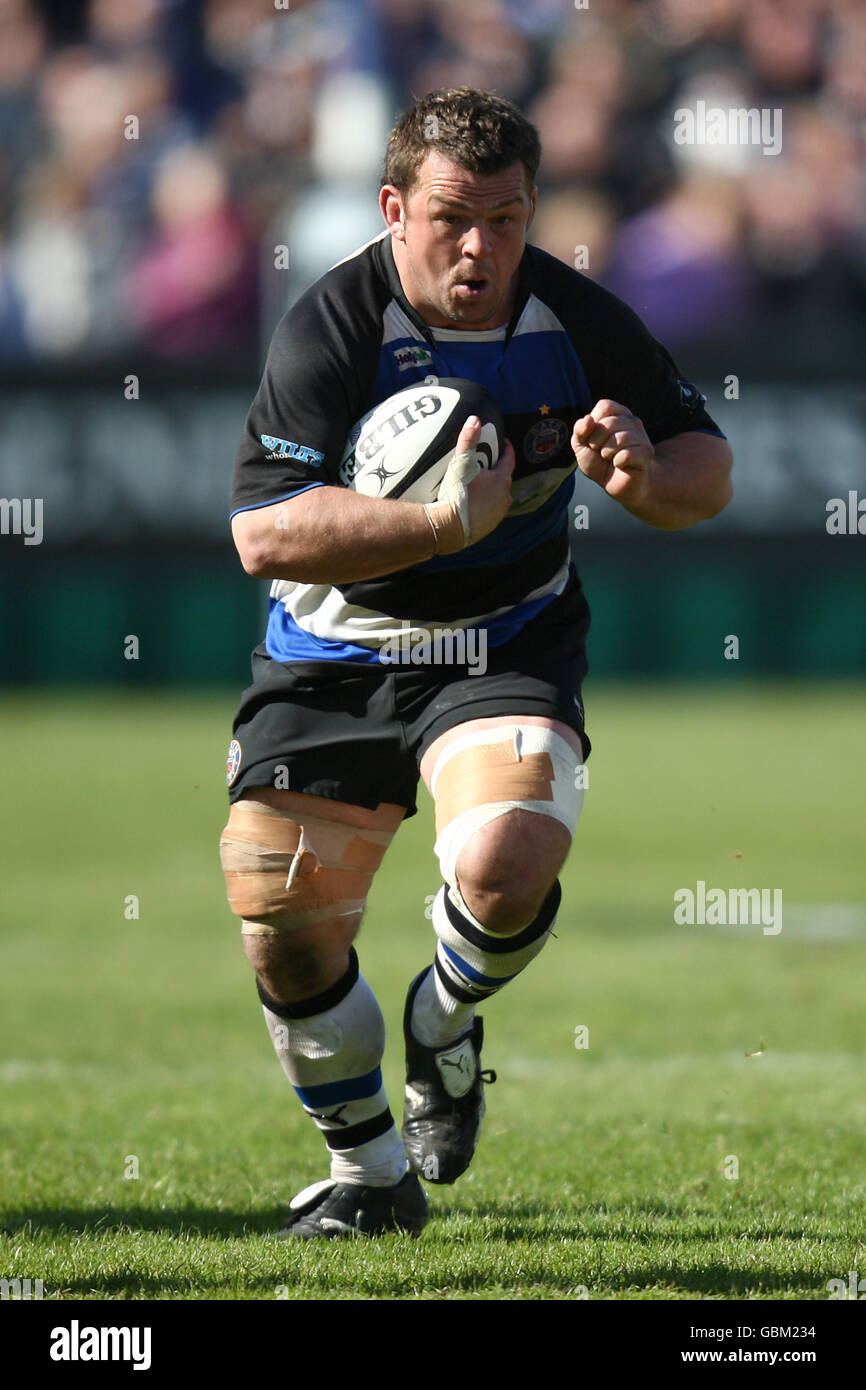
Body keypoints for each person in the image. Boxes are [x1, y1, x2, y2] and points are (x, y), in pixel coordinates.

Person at [220, 88, 732, 1239]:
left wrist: (643, 474)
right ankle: (367, 1177)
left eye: (505, 219)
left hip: (503, 640)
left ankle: (443, 1025)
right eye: (453, 216)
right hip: (332, 653)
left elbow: (708, 469)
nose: (479, 246)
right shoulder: (332, 323)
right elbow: (264, 532)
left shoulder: (575, 314)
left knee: (506, 853)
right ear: (395, 206)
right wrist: (437, 525)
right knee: (284, 924)